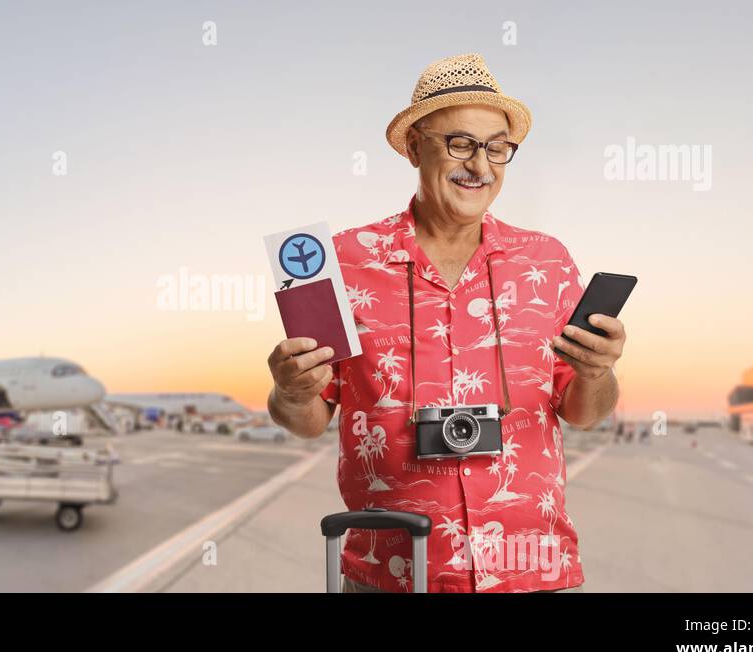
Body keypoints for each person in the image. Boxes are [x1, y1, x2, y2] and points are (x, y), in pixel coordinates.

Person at [266, 54, 626, 593]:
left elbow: (583, 413)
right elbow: (309, 418)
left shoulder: (547, 262)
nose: (479, 166)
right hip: (393, 574)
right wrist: (291, 392)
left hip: (530, 572)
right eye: (460, 143)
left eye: (496, 147)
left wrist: (598, 374)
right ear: (414, 146)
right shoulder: (337, 260)